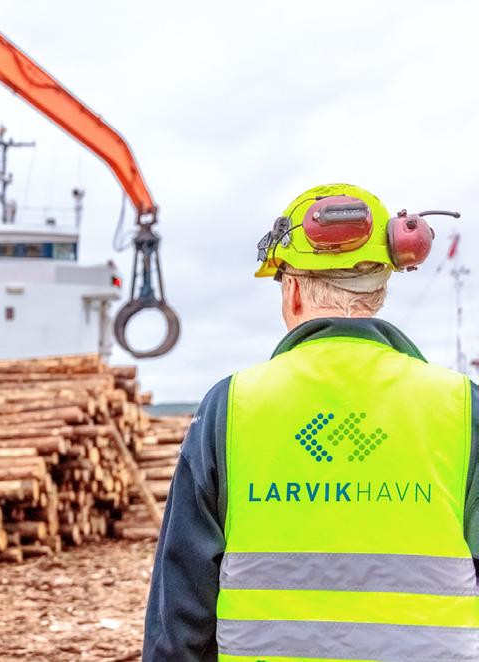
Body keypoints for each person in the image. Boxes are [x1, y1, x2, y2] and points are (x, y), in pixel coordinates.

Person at [142, 183, 479, 660]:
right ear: (381, 290)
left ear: (294, 290)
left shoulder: (231, 407)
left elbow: (180, 608)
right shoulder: (462, 407)